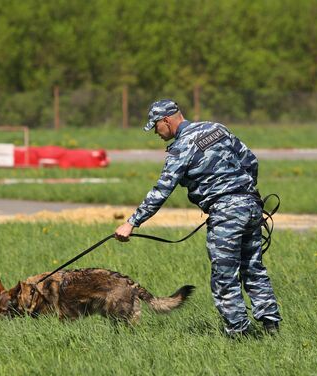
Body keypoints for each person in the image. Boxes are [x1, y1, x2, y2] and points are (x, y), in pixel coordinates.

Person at [114, 99, 281, 336]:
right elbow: (250, 160)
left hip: (226, 213)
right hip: (251, 207)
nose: (155, 132)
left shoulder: (181, 147)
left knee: (224, 277)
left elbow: (162, 190)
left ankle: (240, 335)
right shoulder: (217, 128)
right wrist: (244, 195)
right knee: (253, 268)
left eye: (155, 126)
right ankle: (271, 328)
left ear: (167, 120)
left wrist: (132, 222)